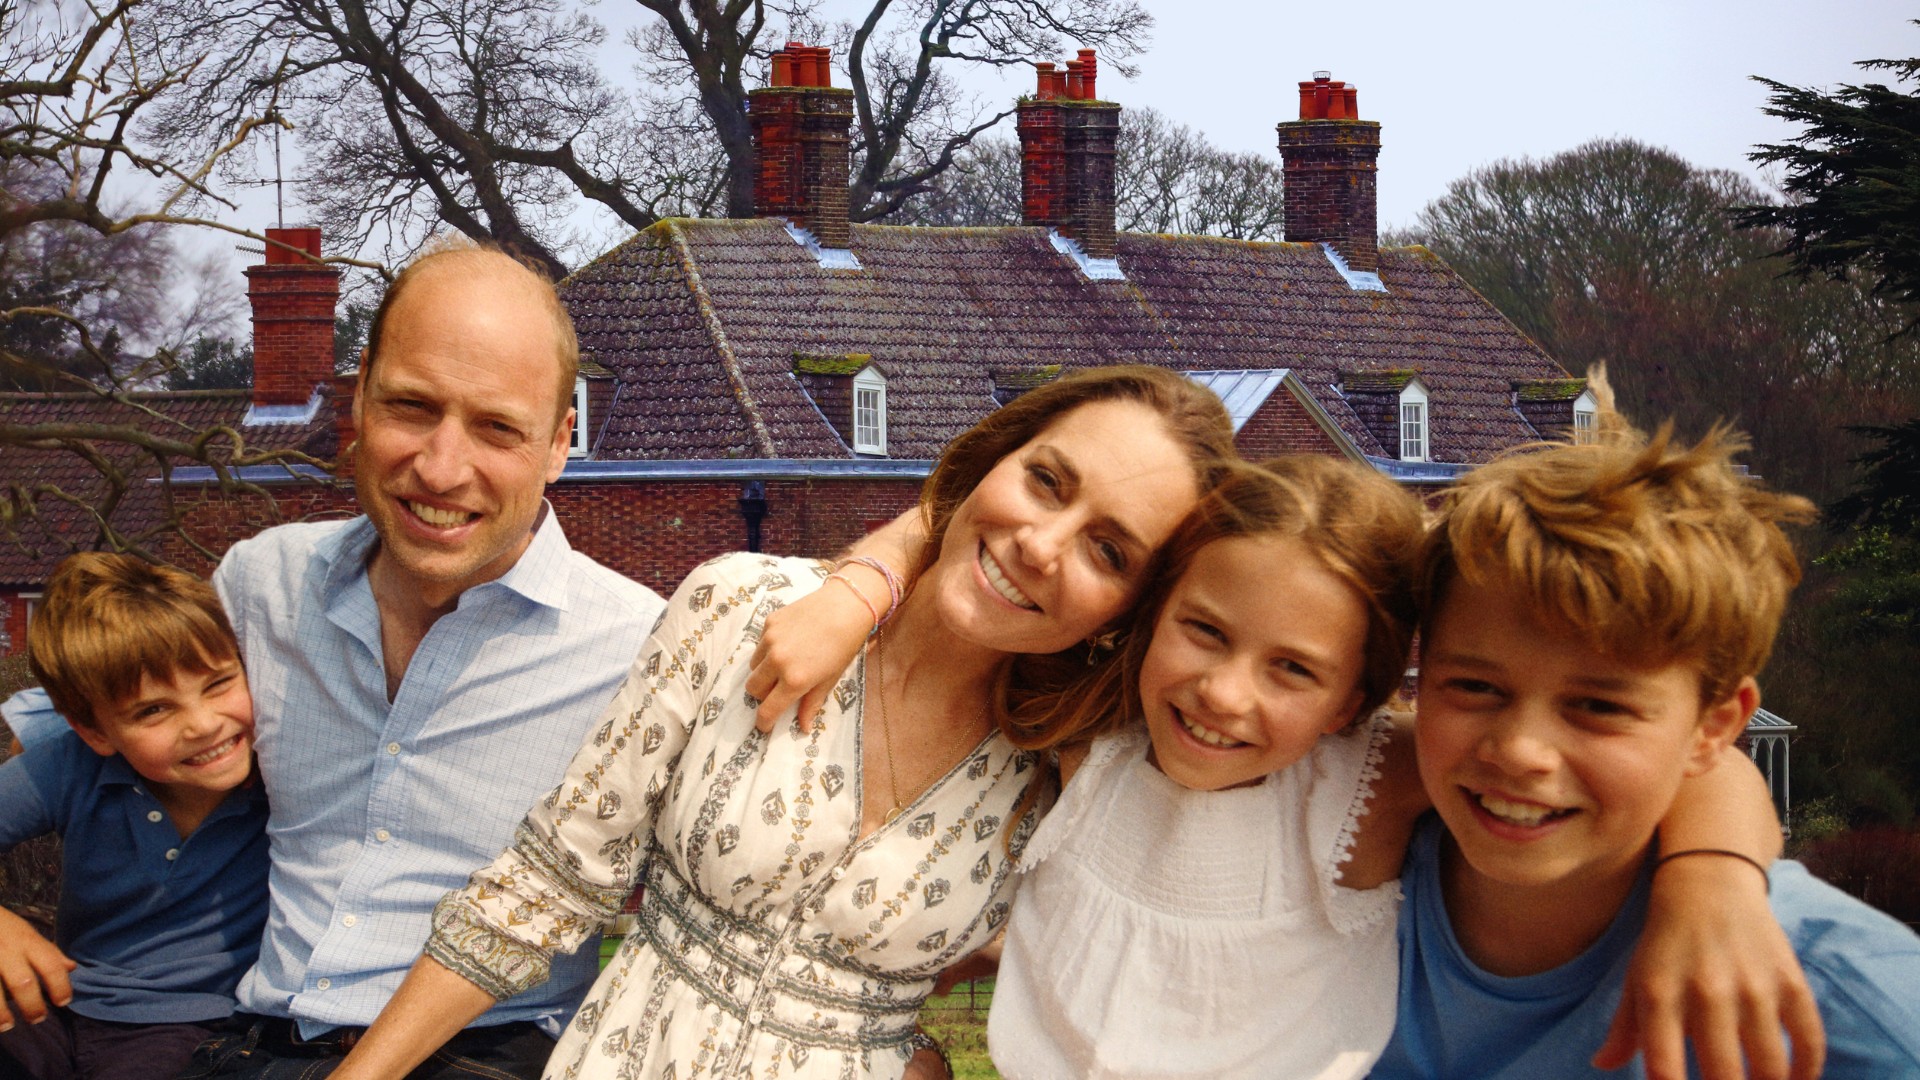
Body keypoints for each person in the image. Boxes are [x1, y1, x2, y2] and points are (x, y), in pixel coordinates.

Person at [329, 365, 1242, 1079]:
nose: (1041, 545)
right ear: (994, 459)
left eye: (1108, 549)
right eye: (1046, 482)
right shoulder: (744, 605)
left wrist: (894, 1039)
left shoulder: (1068, 772)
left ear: (1132, 607)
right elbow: (549, 885)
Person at [980, 456, 1813, 1080]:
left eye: (1294, 670)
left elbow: (1702, 764)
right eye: (1204, 631)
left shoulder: (1358, 785)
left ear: (1353, 701)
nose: (1225, 694)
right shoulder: (1086, 737)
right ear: (1154, 613)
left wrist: (1713, 886)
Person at [181, 241, 667, 1077]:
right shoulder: (260, 585)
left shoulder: (642, 650)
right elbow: (74, 730)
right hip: (253, 1044)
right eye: (412, 406)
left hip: (491, 1055)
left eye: (497, 427)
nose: (442, 469)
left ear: (559, 441)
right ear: (360, 395)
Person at [1370, 378, 1920, 1078]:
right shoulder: (1325, 882)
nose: (1519, 751)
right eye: (1474, 686)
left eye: (1598, 707)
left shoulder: (1855, 1009)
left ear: (1714, 727)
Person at [0, 553, 267, 1079]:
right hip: (63, 996)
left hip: (194, 1023)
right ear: (96, 733)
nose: (202, 724)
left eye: (217, 684)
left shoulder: (284, 776)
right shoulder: (69, 768)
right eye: (153, 710)